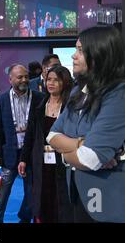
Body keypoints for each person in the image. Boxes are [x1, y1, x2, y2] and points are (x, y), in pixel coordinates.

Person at [47, 26, 125, 222]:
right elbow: (52, 135)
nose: (73, 56)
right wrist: (80, 145)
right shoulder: (78, 91)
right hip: (82, 196)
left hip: (115, 203)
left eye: (80, 50)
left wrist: (65, 152)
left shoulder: (123, 95)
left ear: (99, 53)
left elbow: (90, 159)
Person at [19, 65, 74, 223]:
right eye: (49, 79)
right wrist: (23, 159)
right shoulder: (39, 104)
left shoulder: (71, 106)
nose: (51, 83)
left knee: (61, 201)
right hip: (40, 162)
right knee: (42, 201)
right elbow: (30, 134)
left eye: (56, 80)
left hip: (64, 162)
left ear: (65, 82)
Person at [0, 64, 44, 223]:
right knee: (3, 192)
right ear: (10, 79)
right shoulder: (2, 99)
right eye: (20, 77)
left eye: (26, 76)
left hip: (32, 153)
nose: (24, 80)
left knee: (31, 192)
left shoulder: (39, 97)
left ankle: (25, 218)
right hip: (9, 153)